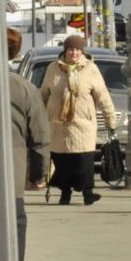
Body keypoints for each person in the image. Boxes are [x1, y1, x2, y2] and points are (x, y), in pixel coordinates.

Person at [40, 34, 115, 206]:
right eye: (71, 49)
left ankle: (88, 193)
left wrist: (110, 120)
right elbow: (44, 94)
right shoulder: (53, 68)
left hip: (83, 123)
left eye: (78, 50)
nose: (74, 53)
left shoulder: (91, 69)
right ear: (65, 51)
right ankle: (65, 193)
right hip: (58, 123)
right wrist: (38, 117)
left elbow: (102, 96)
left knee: (84, 160)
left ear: (83, 52)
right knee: (62, 160)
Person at [6, 28, 51, 261]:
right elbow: (40, 137)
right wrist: (37, 174)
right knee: (15, 223)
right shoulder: (24, 88)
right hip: (12, 173)